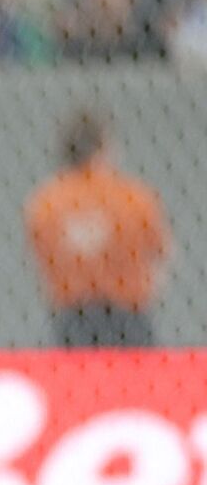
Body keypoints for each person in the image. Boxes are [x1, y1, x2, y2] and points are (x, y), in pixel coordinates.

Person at [24, 110, 170, 347]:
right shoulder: (133, 197)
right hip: (128, 313)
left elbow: (41, 259)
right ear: (104, 148)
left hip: (73, 315)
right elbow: (160, 253)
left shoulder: (46, 202)